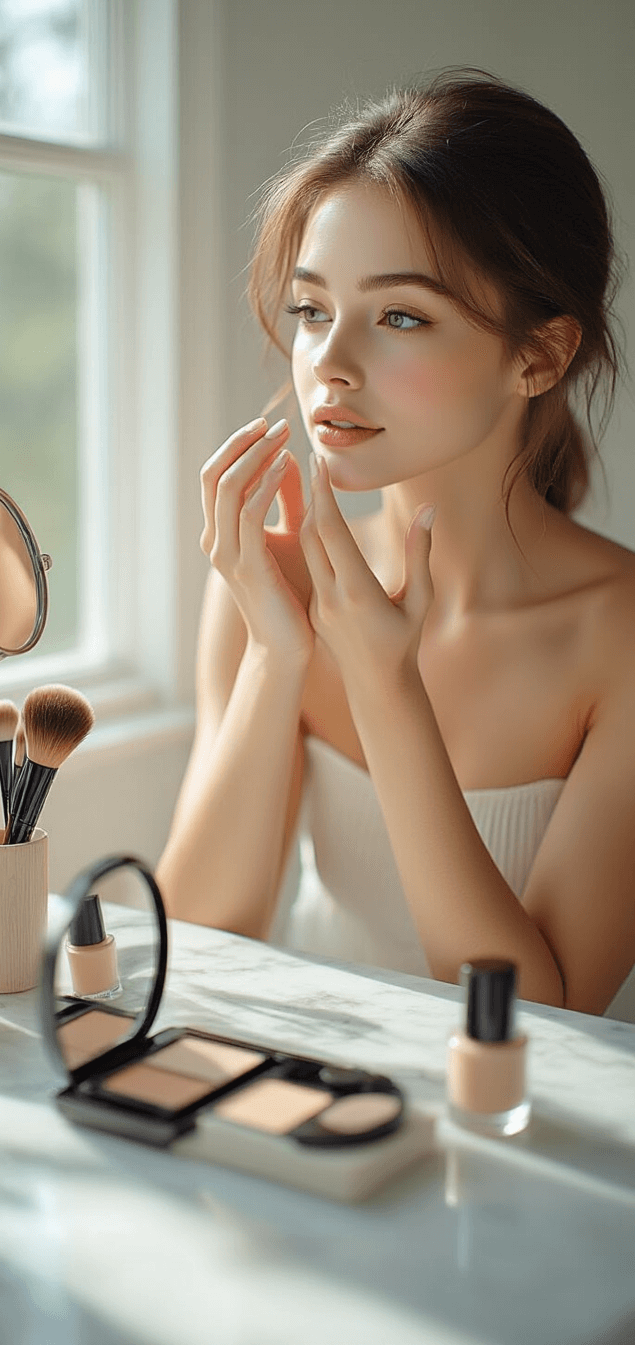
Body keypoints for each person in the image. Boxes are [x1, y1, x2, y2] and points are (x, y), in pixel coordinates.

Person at [155, 66, 635, 1017]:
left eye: (401, 317)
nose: (328, 364)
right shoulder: (272, 576)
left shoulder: (615, 636)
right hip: (308, 1105)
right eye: (312, 310)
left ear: (538, 355)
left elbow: (542, 1022)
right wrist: (277, 652)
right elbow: (201, 939)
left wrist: (385, 683)